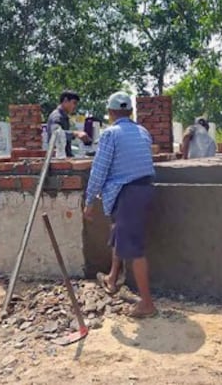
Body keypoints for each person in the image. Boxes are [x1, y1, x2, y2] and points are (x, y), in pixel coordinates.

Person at [84, 92, 158, 318]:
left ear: (111, 113)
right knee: (118, 231)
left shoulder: (110, 134)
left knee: (134, 248)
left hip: (128, 194)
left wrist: (89, 201)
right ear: (131, 112)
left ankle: (147, 304)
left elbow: (99, 169)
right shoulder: (143, 132)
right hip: (144, 190)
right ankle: (112, 277)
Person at [46, 90, 91, 157]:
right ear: (65, 101)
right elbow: (56, 135)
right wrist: (75, 134)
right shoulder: (57, 116)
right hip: (57, 159)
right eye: (74, 103)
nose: (75, 106)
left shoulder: (64, 117)